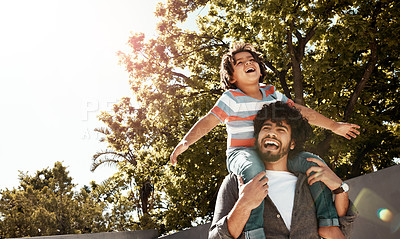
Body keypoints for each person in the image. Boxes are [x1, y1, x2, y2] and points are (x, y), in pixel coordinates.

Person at [170, 43, 360, 238]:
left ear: (260, 69)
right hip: (242, 154)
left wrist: (334, 126)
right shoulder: (231, 98)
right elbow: (209, 120)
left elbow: (301, 113)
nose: (248, 63)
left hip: (271, 154)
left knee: (314, 163)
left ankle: (328, 222)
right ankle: (254, 231)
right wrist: (186, 142)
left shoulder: (272, 95)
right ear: (232, 76)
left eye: (252, 60)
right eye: (240, 62)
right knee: (255, 171)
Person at [208, 102, 357, 239]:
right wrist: (244, 204)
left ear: (292, 143)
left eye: (281, 129)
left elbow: (340, 232)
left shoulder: (310, 180)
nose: (272, 133)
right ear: (257, 138)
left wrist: (340, 189)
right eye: (266, 128)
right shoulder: (236, 182)